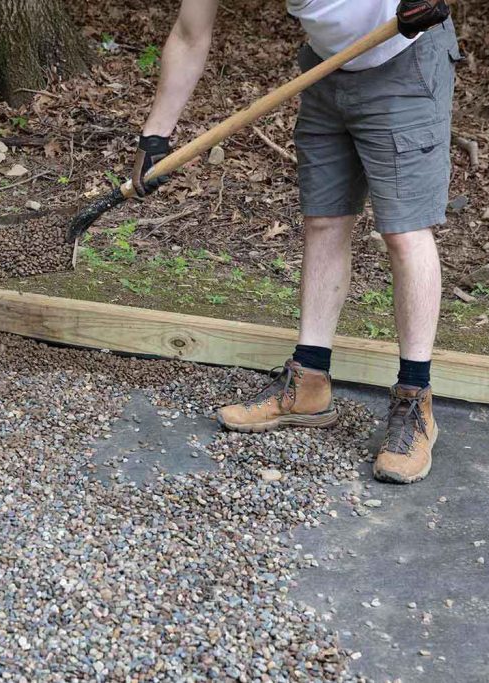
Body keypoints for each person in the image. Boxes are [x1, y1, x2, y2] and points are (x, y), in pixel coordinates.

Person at [135, 0, 458, 484]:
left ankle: (415, 401)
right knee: (324, 221)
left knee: (403, 231)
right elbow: (188, 33)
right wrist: (155, 137)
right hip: (325, 70)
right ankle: (308, 382)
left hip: (404, 59)